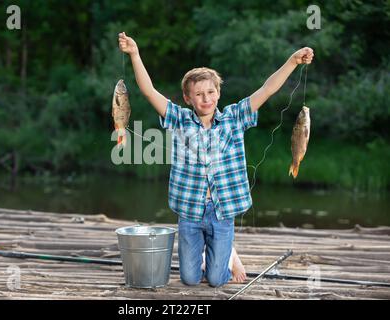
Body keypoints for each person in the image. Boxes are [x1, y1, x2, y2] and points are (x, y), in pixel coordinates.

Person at [118, 31, 314, 287]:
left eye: (211, 92)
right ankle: (211, 256)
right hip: (190, 212)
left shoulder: (234, 117)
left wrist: (292, 61)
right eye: (198, 94)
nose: (206, 98)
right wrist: (135, 53)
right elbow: (148, 90)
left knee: (215, 280)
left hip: (222, 212)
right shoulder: (179, 119)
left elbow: (267, 89)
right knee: (189, 279)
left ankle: (230, 255)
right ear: (188, 99)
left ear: (219, 93)